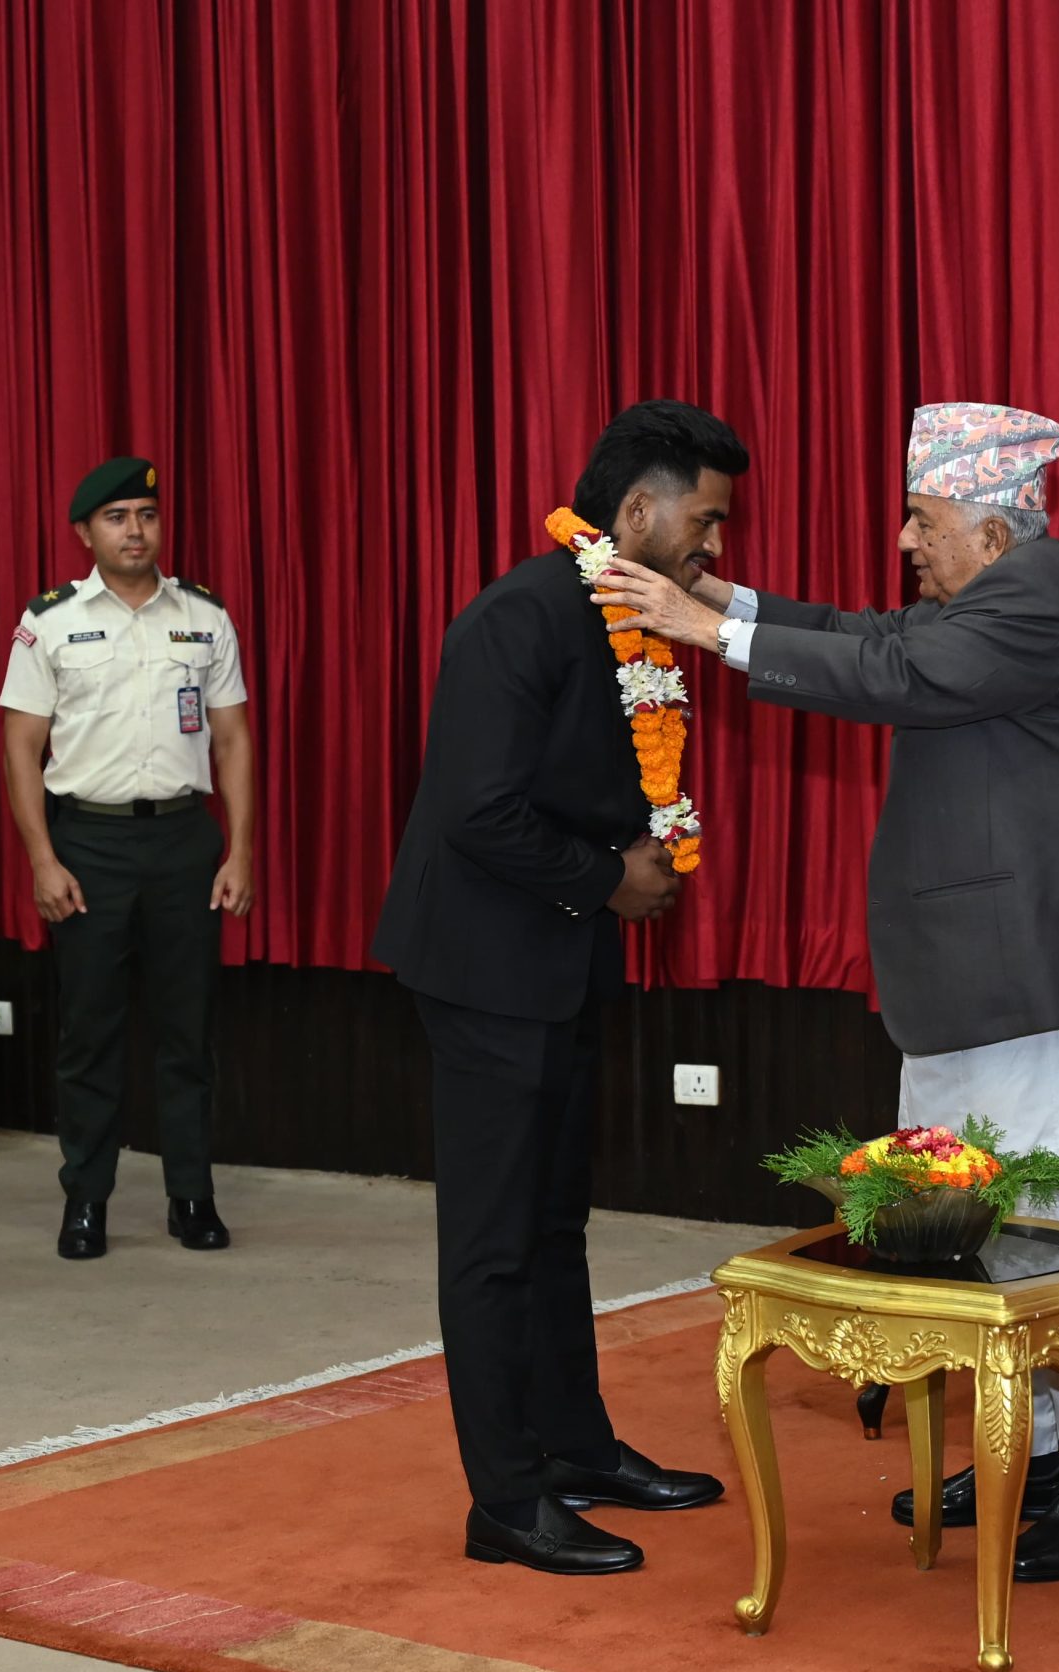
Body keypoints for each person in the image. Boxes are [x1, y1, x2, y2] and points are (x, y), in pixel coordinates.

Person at [592, 402, 1059, 1582]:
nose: (903, 540)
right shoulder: (990, 592)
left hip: (1028, 981)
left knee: (1051, 1235)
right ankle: (1034, 1450)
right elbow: (864, 631)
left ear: (989, 532)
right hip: (965, 977)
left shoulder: (1039, 593)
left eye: (922, 519)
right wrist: (717, 601)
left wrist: (702, 628)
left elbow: (893, 668)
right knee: (966, 1221)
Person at [373, 400, 740, 1576]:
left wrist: (627, 866)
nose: (714, 545)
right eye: (705, 519)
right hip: (487, 964)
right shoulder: (519, 617)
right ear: (636, 512)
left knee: (553, 1222)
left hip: (564, 957)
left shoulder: (626, 614)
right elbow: (476, 809)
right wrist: (609, 876)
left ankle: (575, 1447)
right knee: (492, 1240)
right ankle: (506, 1498)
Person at [0, 457, 256, 1259]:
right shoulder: (49, 621)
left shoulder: (203, 616)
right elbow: (20, 745)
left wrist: (241, 850)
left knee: (188, 1028)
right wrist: (42, 859)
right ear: (86, 532)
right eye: (116, 517)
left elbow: (233, 738)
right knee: (90, 1032)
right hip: (89, 843)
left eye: (146, 513)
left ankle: (192, 1194)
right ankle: (86, 1199)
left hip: (183, 841)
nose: (135, 530)